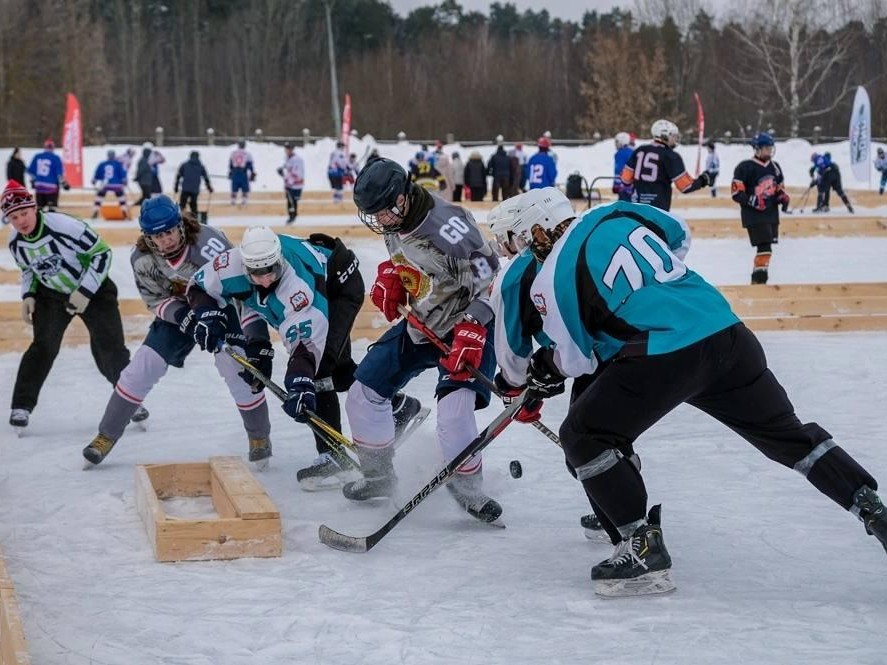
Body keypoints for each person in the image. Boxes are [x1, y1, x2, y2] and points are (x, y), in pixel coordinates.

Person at [502, 191, 887, 596]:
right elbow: (679, 236)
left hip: (667, 353)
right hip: (727, 332)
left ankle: (640, 548)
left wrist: (545, 370)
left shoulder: (552, 273)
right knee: (787, 434)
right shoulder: (618, 212)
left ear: (540, 229)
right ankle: (869, 505)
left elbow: (578, 358)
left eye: (523, 240)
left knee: (584, 434)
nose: (524, 250)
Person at [187, 225, 425, 488]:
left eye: (271, 270)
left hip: (337, 286)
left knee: (322, 370)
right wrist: (208, 316)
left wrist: (300, 384)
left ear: (279, 261)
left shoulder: (297, 285)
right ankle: (398, 406)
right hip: (322, 274)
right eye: (257, 273)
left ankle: (332, 456)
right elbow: (199, 286)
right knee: (337, 369)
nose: (266, 279)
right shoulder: (229, 266)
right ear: (244, 267)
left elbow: (305, 346)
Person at [346, 157, 504, 524]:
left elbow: (493, 279)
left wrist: (474, 326)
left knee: (454, 415)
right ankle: (378, 477)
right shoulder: (395, 217)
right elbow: (411, 259)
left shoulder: (448, 226)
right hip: (422, 322)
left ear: (402, 197)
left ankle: (469, 490)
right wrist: (392, 275)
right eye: (372, 214)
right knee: (363, 393)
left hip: (469, 327)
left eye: (383, 212)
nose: (378, 221)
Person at [487, 191, 640, 546]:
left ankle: (623, 525)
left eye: (506, 238)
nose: (504, 247)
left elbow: (512, 345)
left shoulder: (517, 276)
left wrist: (514, 389)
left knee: (584, 440)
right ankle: (623, 496)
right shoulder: (588, 234)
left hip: (595, 353)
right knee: (604, 434)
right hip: (635, 344)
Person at [83, 196, 270, 467]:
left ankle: (259, 437)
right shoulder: (142, 260)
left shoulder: (210, 244)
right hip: (180, 312)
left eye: (169, 231)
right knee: (142, 366)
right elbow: (155, 300)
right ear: (147, 236)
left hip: (221, 307)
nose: (165, 240)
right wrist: (182, 316)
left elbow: (243, 291)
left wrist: (253, 335)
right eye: (157, 236)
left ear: (181, 226)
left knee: (236, 367)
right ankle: (105, 436)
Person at [4, 180, 135, 433]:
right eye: (13, 216)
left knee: (109, 348)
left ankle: (130, 400)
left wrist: (85, 291)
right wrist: (28, 295)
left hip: (94, 289)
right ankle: (21, 406)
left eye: (24, 213)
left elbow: (102, 253)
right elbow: (28, 269)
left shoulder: (65, 226)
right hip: (51, 295)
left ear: (34, 209)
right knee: (43, 346)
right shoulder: (15, 242)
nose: (21, 220)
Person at [731, 133, 789, 285]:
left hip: (771, 215)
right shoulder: (745, 167)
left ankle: (760, 277)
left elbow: (779, 188)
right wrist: (752, 200)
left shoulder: (775, 167)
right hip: (754, 216)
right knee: (765, 247)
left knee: (767, 248)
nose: (769, 151)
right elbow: (736, 192)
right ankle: (759, 280)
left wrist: (782, 197)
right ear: (757, 149)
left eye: (770, 148)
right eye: (765, 148)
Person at [620, 119, 712, 210]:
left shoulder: (639, 150)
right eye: (673, 136)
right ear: (664, 136)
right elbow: (685, 186)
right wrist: (702, 180)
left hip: (637, 207)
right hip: (658, 210)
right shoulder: (670, 156)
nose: (675, 139)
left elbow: (625, 180)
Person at [27, 140, 68, 212]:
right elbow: (59, 174)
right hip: (51, 188)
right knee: (51, 209)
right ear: (53, 148)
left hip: (39, 187)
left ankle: (39, 222)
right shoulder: (55, 158)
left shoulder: (37, 156)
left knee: (40, 209)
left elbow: (30, 171)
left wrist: (33, 181)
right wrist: (64, 183)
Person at [91, 149, 130, 219]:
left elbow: (97, 175)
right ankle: (124, 210)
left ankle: (95, 211)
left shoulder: (102, 164)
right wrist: (124, 181)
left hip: (105, 185)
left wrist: (94, 180)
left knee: (99, 196)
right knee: (121, 197)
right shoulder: (118, 164)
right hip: (116, 185)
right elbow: (122, 174)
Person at [174, 150, 213, 218]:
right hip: (195, 189)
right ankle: (194, 218)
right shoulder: (201, 166)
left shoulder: (184, 165)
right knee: (193, 204)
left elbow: (178, 176)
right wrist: (209, 187)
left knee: (182, 204)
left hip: (185, 188)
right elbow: (206, 177)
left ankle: (180, 217)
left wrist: (176, 186)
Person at [278, 142, 305, 225]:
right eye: (286, 149)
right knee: (290, 200)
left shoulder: (297, 160)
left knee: (294, 201)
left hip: (295, 184)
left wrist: (288, 178)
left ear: (291, 149)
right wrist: (282, 171)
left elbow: (297, 173)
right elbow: (286, 168)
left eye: (288, 149)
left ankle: (293, 216)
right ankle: (291, 216)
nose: (286, 150)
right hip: (289, 184)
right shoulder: (287, 158)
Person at [228, 140, 255, 206]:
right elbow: (250, 164)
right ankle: (244, 199)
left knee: (234, 186)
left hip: (235, 171)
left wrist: (230, 172)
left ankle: (233, 199)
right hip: (243, 172)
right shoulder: (247, 154)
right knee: (244, 186)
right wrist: (252, 172)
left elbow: (230, 164)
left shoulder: (233, 153)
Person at [612, 132, 633, 201]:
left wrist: (616, 185)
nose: (616, 144)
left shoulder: (620, 154)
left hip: (624, 187)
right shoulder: (633, 151)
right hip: (633, 186)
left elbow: (618, 170)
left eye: (617, 142)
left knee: (623, 209)